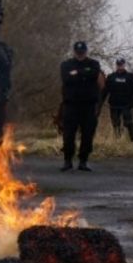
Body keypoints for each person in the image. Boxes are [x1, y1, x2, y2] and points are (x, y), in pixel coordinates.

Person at [59, 41, 104, 171]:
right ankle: (68, 161)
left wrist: (76, 73)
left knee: (88, 134)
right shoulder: (66, 64)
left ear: (86, 51)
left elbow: (94, 75)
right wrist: (84, 73)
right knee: (68, 135)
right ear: (74, 52)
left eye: (82, 52)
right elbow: (66, 78)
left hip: (88, 106)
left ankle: (83, 161)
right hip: (71, 105)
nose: (80, 54)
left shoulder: (94, 64)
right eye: (78, 52)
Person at [102, 58, 133, 142]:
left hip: (127, 105)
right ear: (116, 65)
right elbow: (105, 91)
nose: (120, 67)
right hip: (114, 105)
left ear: (124, 65)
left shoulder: (131, 77)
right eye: (118, 65)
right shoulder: (111, 77)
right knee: (115, 124)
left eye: (121, 65)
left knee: (129, 123)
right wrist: (100, 101)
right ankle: (118, 140)